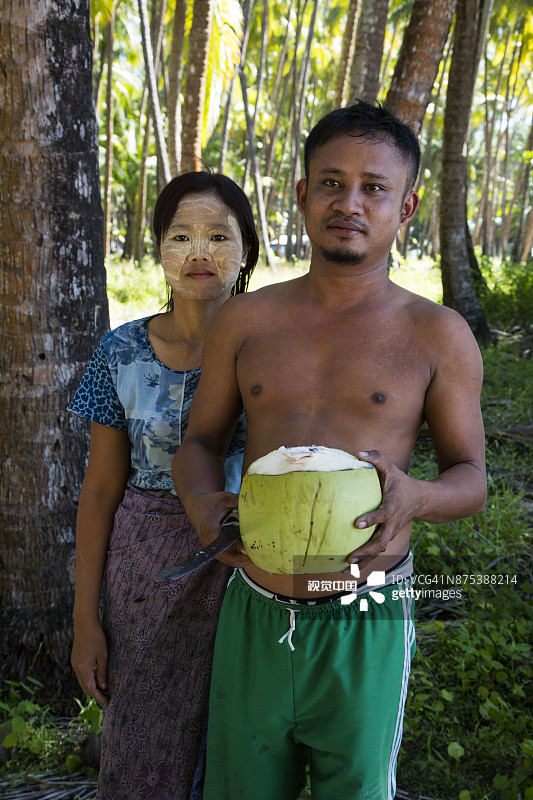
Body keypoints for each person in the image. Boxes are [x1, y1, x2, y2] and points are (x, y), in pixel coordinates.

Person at [172, 101, 487, 800]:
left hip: (365, 614)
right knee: (240, 789)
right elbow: (200, 441)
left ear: (405, 208)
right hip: (254, 605)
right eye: (331, 182)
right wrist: (200, 503)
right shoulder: (245, 320)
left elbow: (471, 478)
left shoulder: (435, 334)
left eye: (374, 187)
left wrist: (416, 497)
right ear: (302, 194)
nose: (350, 203)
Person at [69, 171, 259, 800]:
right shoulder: (119, 351)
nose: (199, 252)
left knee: (237, 740)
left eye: (218, 236)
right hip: (144, 578)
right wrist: (86, 621)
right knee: (143, 742)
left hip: (246, 564)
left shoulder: (273, 349)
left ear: (247, 249)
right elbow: (100, 491)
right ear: (157, 248)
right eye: (181, 236)